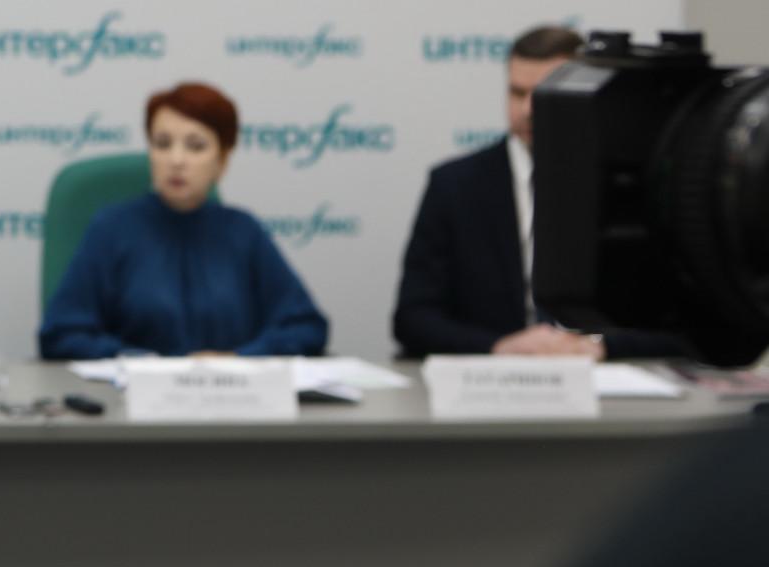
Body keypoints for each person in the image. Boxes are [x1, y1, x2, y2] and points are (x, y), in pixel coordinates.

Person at [393, 25, 687, 359]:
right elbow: (413, 319)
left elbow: (684, 325)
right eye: (517, 93)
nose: (527, 110)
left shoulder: (632, 185)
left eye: (543, 94)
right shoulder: (455, 185)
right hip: (496, 378)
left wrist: (600, 346)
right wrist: (498, 347)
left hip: (605, 378)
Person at [39, 82, 329, 359]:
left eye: (195, 146)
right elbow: (61, 332)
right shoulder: (111, 229)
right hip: (134, 390)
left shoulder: (243, 232)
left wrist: (240, 359)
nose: (176, 160)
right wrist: (135, 361)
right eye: (162, 144)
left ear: (222, 160)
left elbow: (306, 327)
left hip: (228, 390)